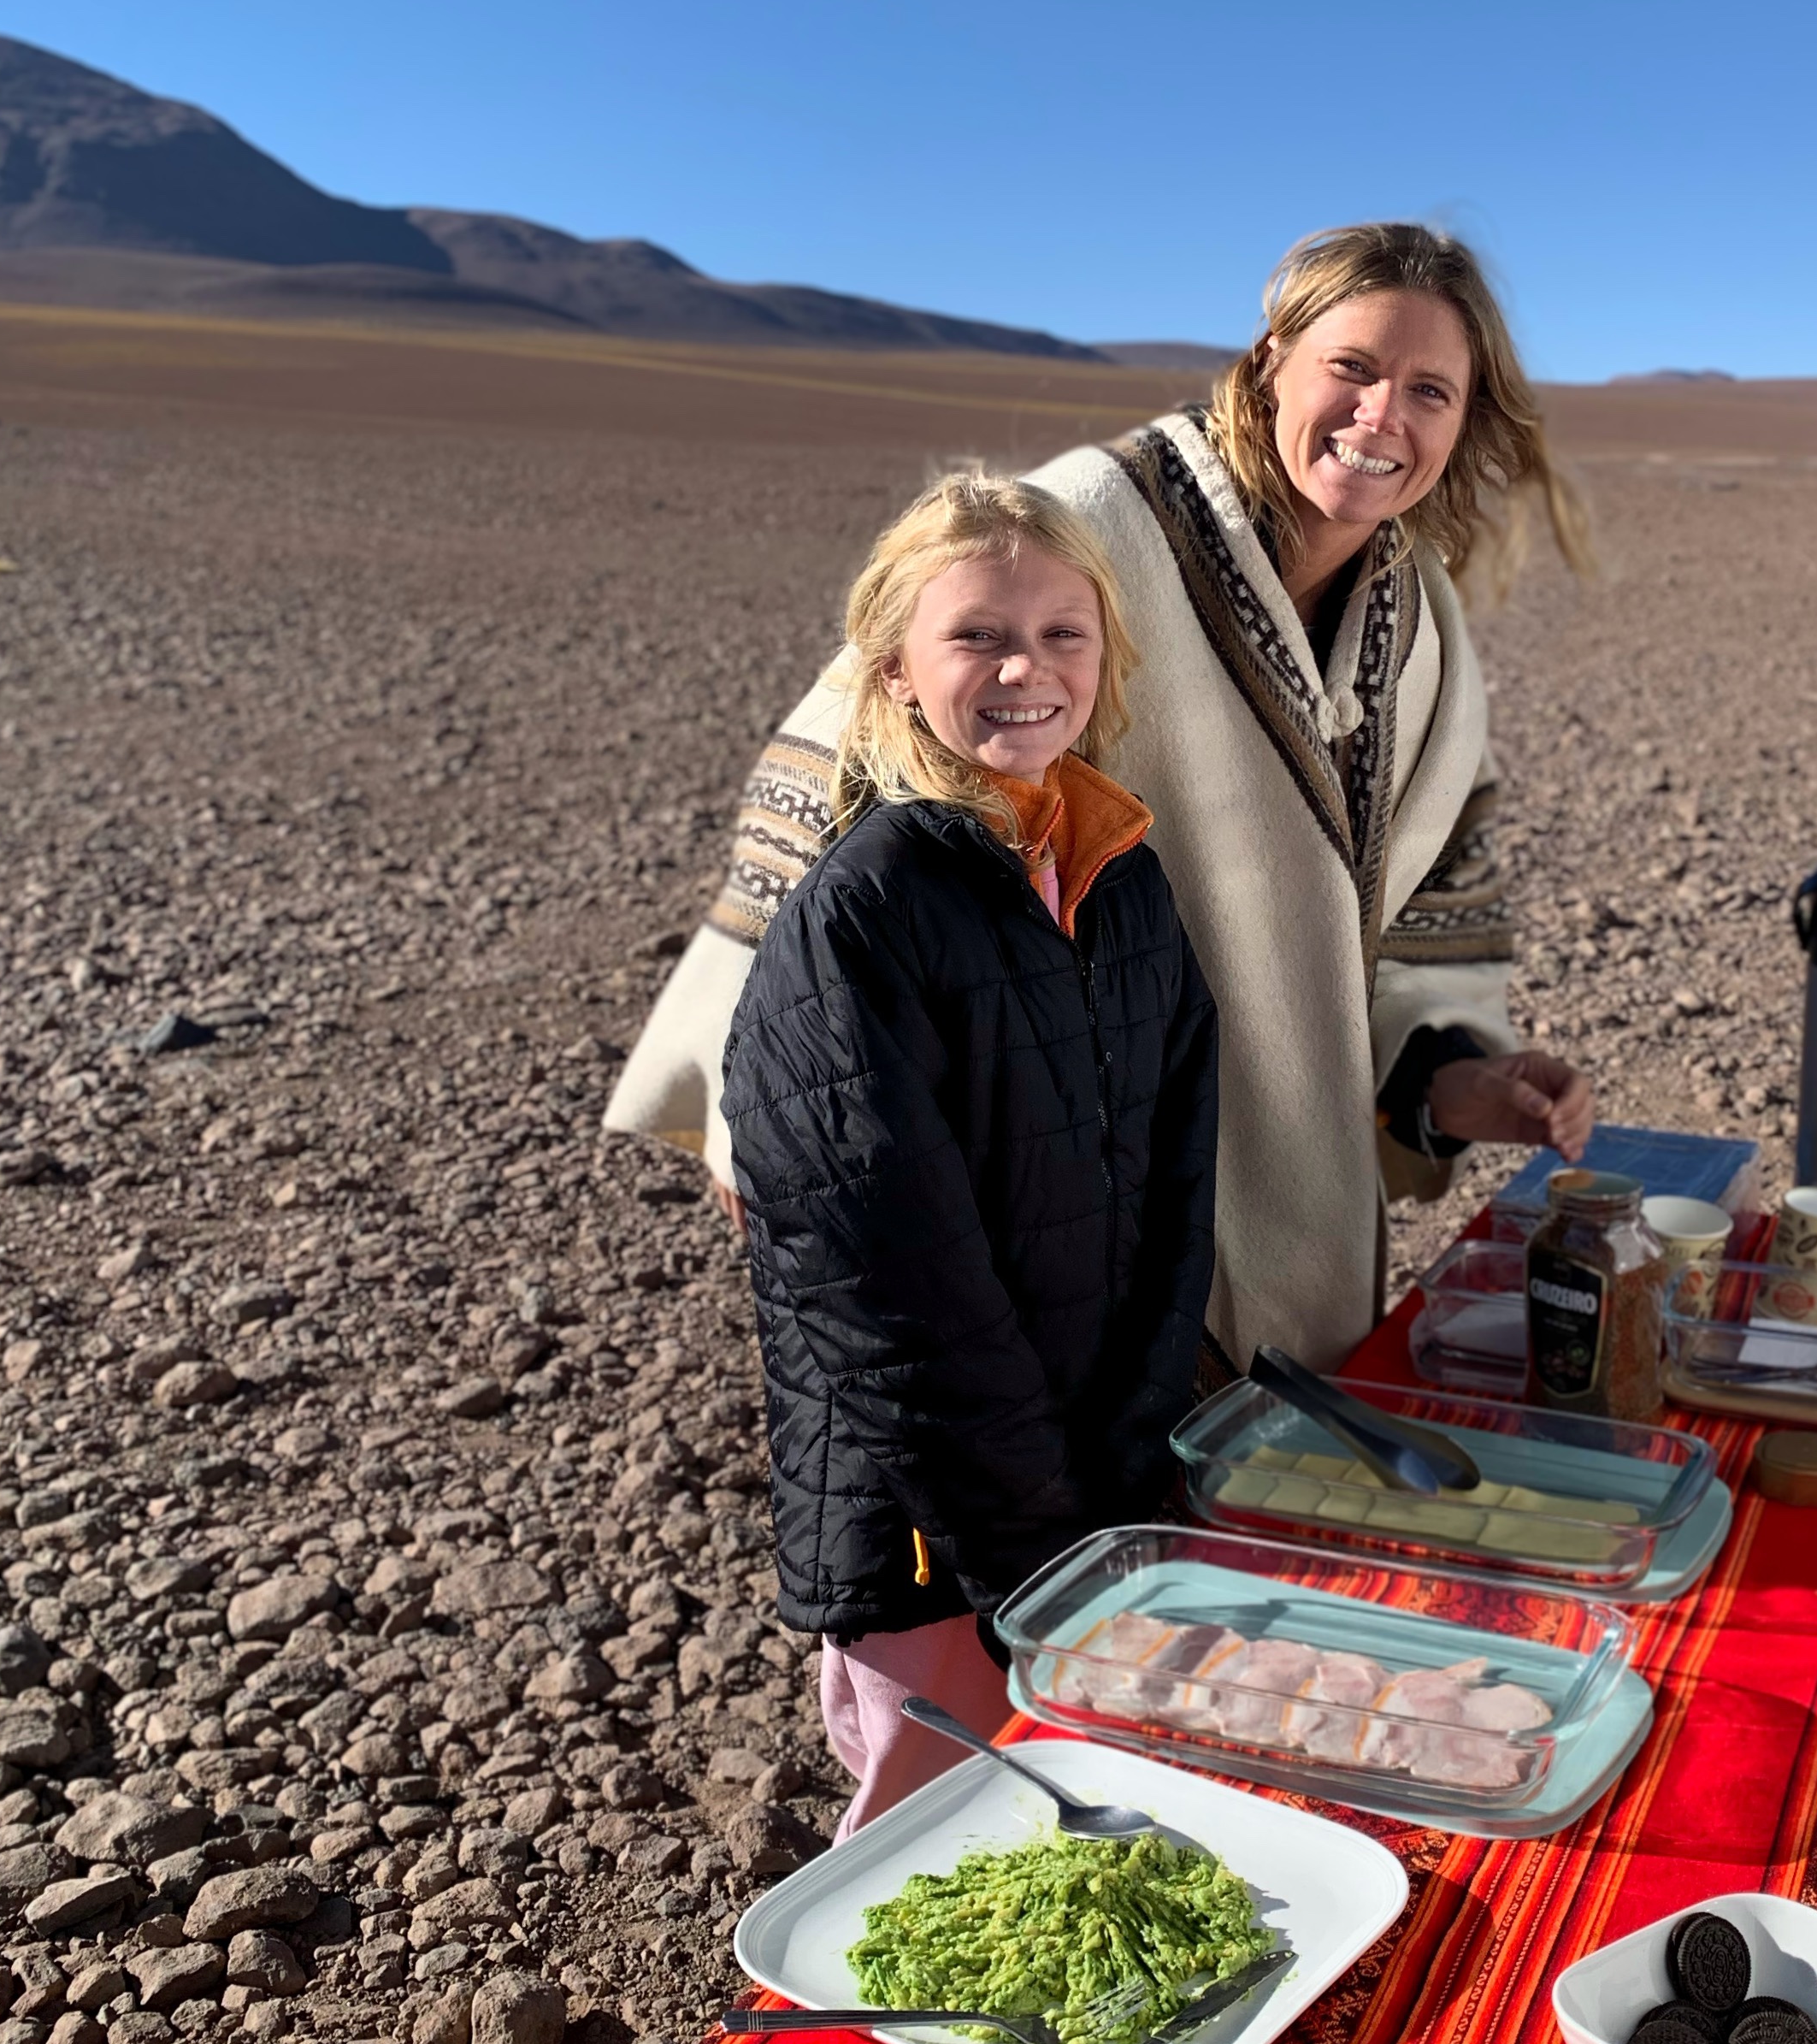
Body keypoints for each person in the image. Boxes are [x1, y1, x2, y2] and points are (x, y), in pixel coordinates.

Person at [613, 218, 1596, 1375]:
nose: (1382, 415)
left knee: (1267, 1469)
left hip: (1296, 1167)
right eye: (1352, 367)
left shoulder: (1421, 621)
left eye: (1430, 390)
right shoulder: (1089, 518)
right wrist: (772, 1099)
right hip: (1053, 1167)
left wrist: (1450, 1077)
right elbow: (852, 742)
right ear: (1270, 361)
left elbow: (1423, 887)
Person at [719, 471, 1218, 1829]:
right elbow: (886, 1287)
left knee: (1091, 1828)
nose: (1024, 670)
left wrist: (1128, 1455)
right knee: (946, 1852)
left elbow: (1180, 1185)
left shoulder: (1120, 874)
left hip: (1089, 1488)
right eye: (977, 637)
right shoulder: (864, 915)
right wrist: (1028, 1545)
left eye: (1062, 634)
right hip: (934, 1527)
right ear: (895, 668)